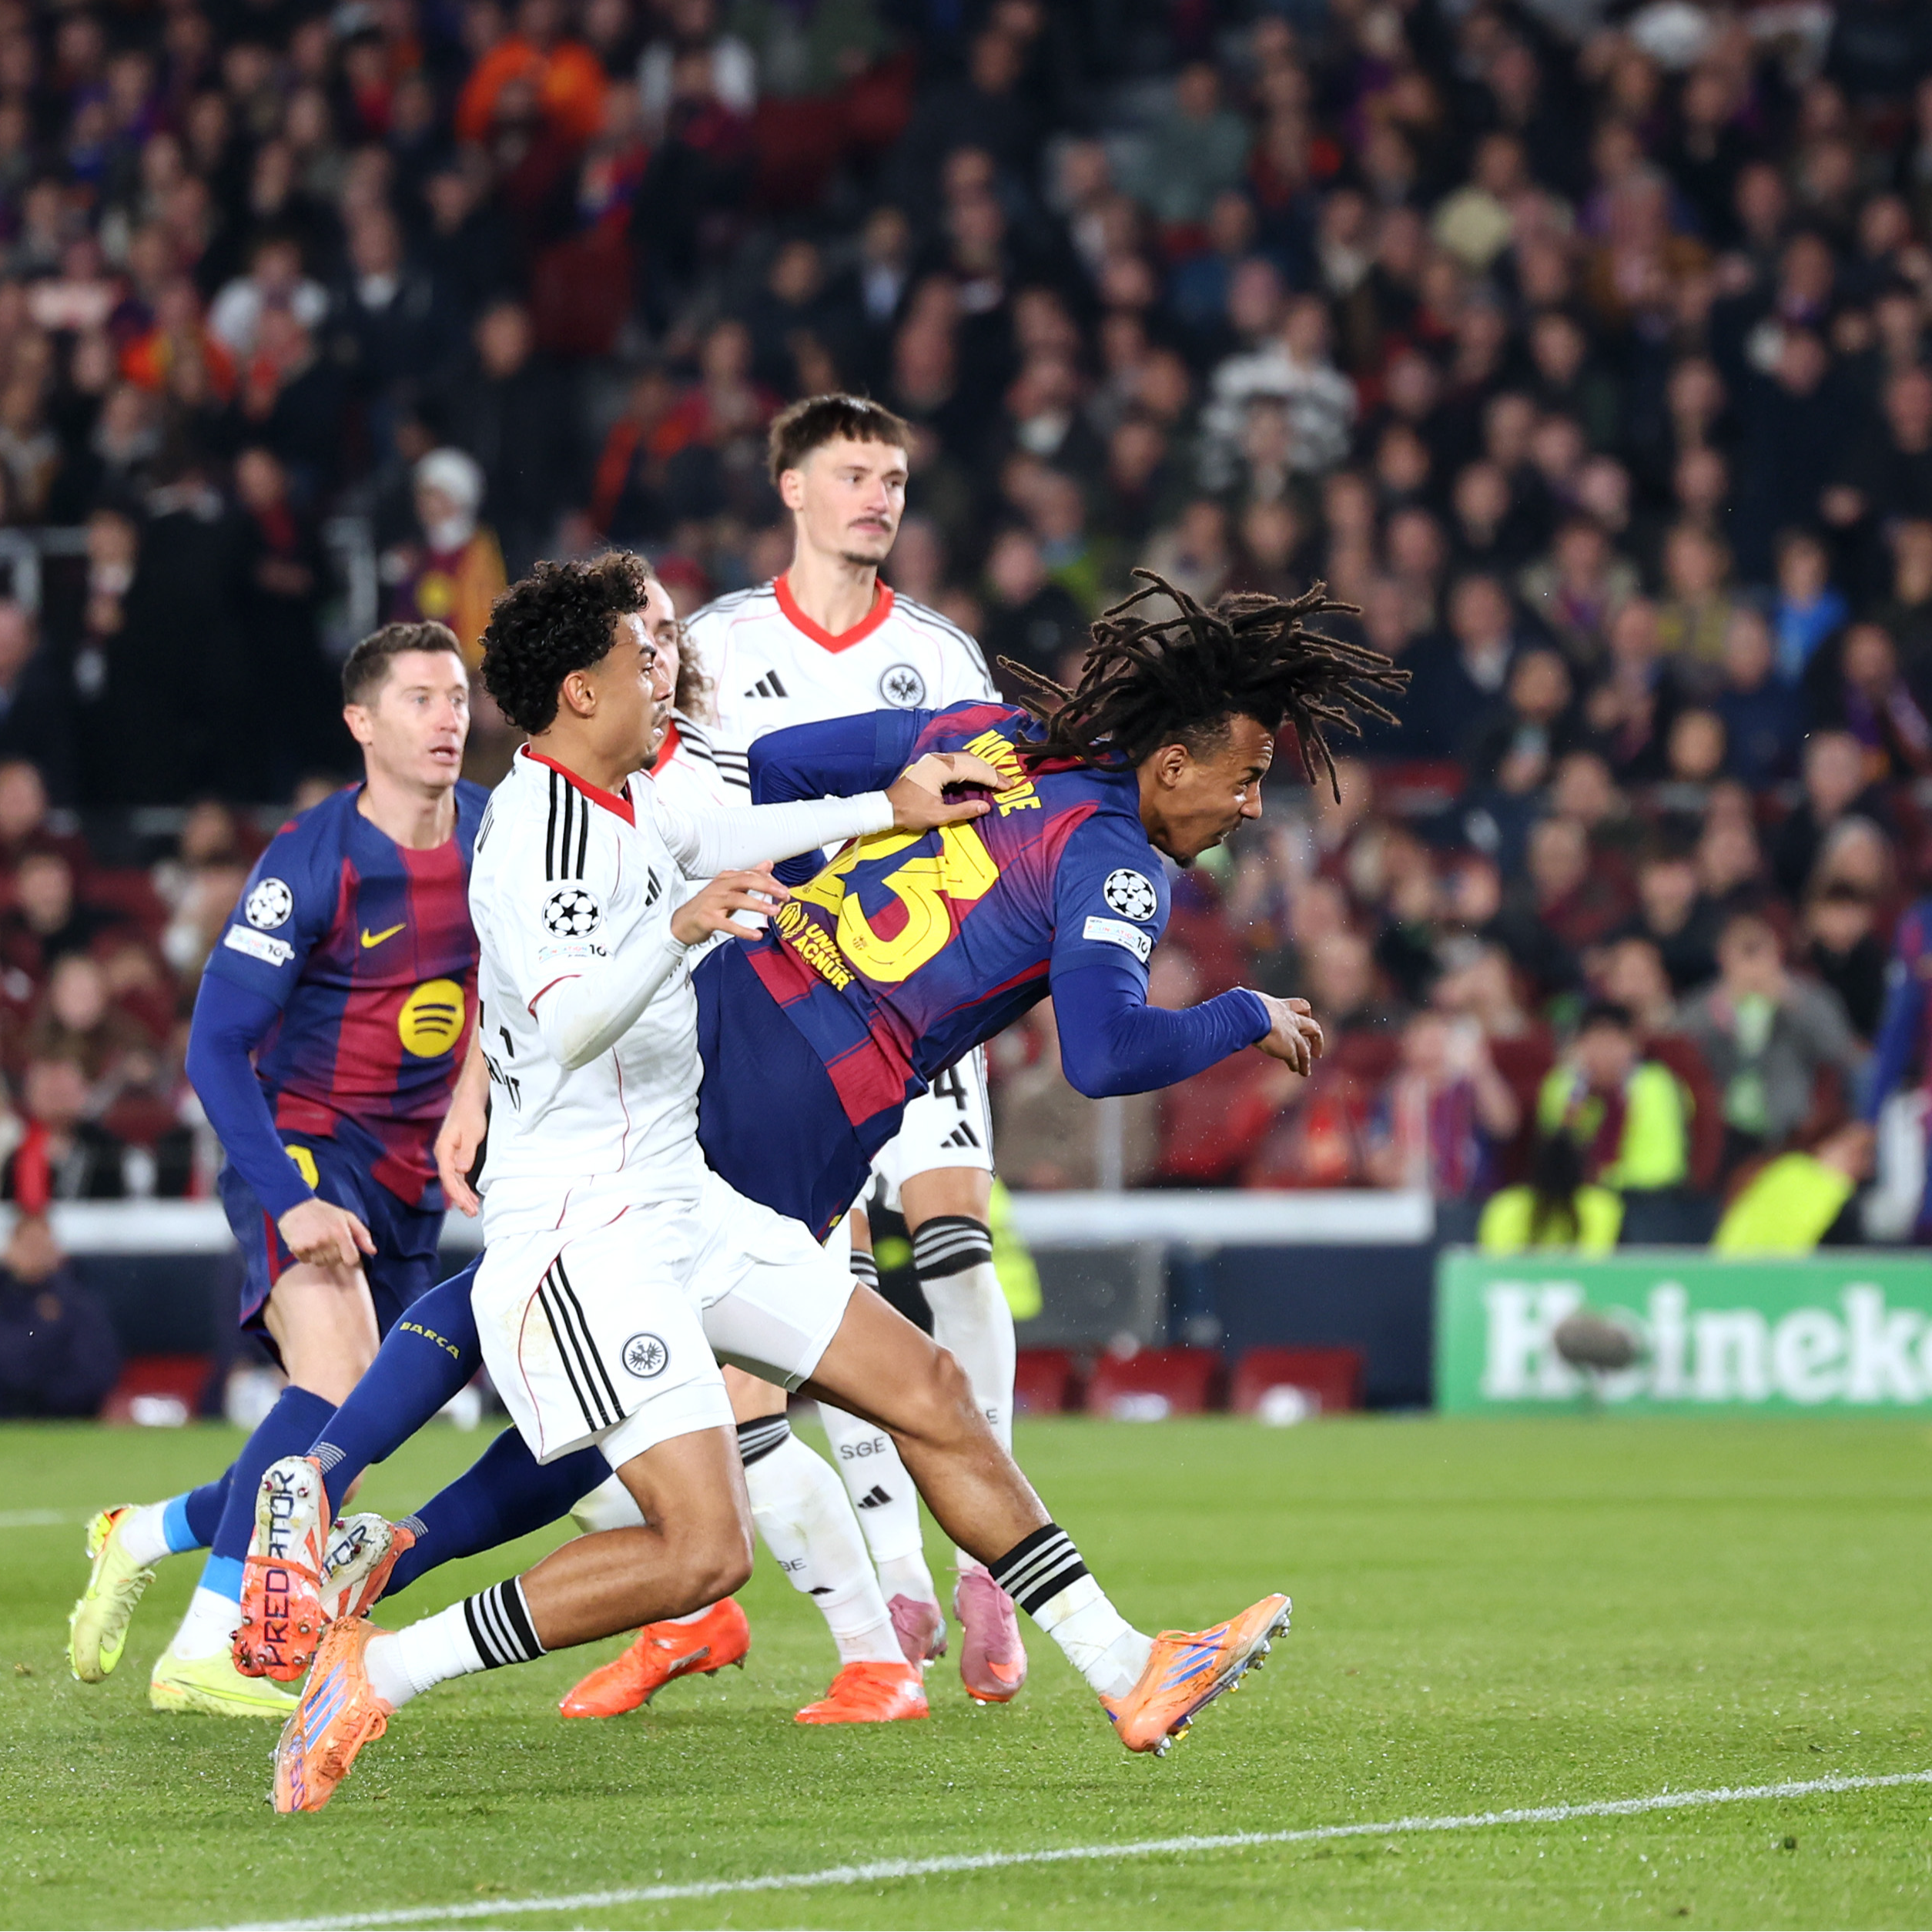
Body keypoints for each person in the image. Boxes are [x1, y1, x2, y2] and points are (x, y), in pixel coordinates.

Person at [268, 557, 1336, 1812]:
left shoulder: (944, 742)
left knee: (925, 1387)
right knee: (698, 1543)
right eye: (642, 657)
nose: (666, 671)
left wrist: (884, 809)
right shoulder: (1108, 856)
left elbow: (750, 802)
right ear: (578, 690)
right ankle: (369, 1622)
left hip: (693, 1165)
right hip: (608, 1205)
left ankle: (1127, 1668)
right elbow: (564, 1023)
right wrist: (1241, 1013)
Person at [675, 393, 1027, 1703]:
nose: (879, 495)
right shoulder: (717, 643)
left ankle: (989, 1543)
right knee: (833, 1285)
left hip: (919, 983)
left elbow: (1002, 817)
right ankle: (900, 1570)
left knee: (955, 1240)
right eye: (854, 474)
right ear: (793, 489)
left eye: (892, 476)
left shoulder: (942, 654)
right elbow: (691, 806)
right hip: (776, 999)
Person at [65, 621, 485, 1719]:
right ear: (361, 722)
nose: (448, 718)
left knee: (351, 1433)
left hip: (411, 1180)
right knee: (335, 1383)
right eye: (420, 700)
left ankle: (147, 1530)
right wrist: (290, 1196)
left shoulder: (498, 835)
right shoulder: (313, 858)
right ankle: (207, 1651)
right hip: (304, 1150)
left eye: (457, 697)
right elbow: (212, 1046)